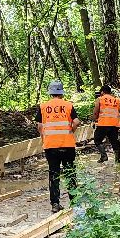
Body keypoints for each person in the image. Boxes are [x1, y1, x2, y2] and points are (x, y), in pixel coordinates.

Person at [32, 81, 79, 211]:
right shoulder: (68, 105)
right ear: (61, 93)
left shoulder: (43, 107)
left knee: (54, 174)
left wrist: (44, 138)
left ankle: (55, 204)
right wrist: (71, 131)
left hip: (50, 146)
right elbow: (76, 122)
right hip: (67, 145)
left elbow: (40, 126)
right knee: (70, 172)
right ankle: (74, 201)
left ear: (51, 93)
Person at [92, 84, 120, 165]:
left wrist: (94, 121)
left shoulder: (100, 99)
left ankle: (104, 155)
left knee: (97, 140)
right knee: (114, 142)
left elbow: (95, 112)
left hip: (103, 124)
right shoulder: (116, 100)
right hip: (114, 124)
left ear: (102, 92)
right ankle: (117, 160)